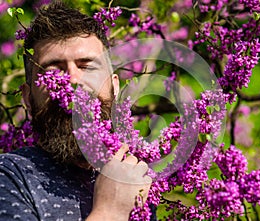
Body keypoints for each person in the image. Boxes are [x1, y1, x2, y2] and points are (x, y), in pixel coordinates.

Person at [0, 1, 154, 220]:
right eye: (53, 71)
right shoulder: (10, 176)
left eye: (87, 67)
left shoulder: (134, 176)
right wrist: (109, 212)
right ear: (27, 97)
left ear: (115, 87)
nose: (73, 80)